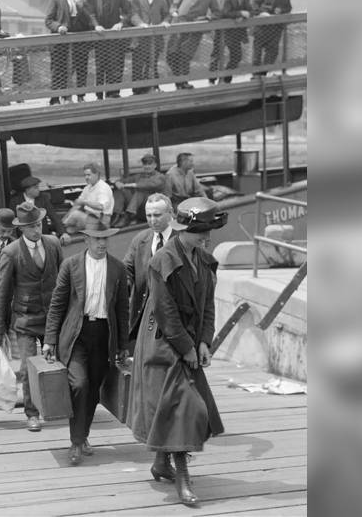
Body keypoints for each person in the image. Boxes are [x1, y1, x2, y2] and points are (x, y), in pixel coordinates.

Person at [128, 197, 227, 506]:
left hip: (188, 343)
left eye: (209, 231)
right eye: (202, 231)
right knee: (185, 408)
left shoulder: (205, 260)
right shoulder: (162, 261)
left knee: (170, 408)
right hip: (162, 345)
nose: (207, 237)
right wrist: (186, 348)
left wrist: (203, 342)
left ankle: (161, 463)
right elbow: (165, 311)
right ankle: (182, 477)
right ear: (186, 230)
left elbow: (207, 306)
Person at [43, 222, 130, 465]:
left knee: (93, 390)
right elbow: (57, 305)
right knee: (79, 384)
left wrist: (123, 344)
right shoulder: (70, 265)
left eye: (105, 239)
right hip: (76, 335)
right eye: (97, 239)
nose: (102, 244)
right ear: (86, 240)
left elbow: (123, 309)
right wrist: (50, 340)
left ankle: (82, 436)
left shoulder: (118, 268)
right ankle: (76, 441)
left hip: (104, 335)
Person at [0, 201, 64, 432]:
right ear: (21, 228)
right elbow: (1, 292)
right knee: (26, 367)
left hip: (52, 318)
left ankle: (55, 407)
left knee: (57, 364)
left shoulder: (53, 244)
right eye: (31, 226)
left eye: (39, 224)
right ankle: (32, 413)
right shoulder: (11, 252)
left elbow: (65, 282)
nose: (36, 229)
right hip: (24, 319)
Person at [45, 0, 102, 105]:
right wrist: (58, 27)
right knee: (60, 69)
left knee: (81, 68)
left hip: (80, 40)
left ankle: (81, 96)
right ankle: (57, 98)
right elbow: (48, 20)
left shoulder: (82, 0)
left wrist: (96, 26)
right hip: (61, 40)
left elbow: (91, 16)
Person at [123, 193, 177, 334]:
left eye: (157, 215)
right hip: (143, 314)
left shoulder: (183, 239)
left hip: (174, 316)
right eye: (149, 216)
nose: (152, 220)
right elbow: (127, 270)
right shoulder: (140, 239)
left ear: (171, 213)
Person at [166, 0, 220, 90]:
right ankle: (179, 81)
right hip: (180, 27)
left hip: (195, 29)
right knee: (171, 55)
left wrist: (207, 17)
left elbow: (217, 12)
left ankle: (183, 82)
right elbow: (175, 6)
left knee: (185, 55)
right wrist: (174, 12)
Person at [87, 0, 137, 99]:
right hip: (100, 37)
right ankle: (99, 96)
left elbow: (129, 11)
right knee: (100, 66)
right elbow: (90, 14)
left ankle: (113, 94)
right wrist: (96, 25)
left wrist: (121, 23)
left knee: (114, 65)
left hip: (115, 38)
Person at [131, 0, 172, 95]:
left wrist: (165, 22)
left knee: (152, 64)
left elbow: (167, 15)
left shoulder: (161, 0)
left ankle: (151, 89)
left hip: (155, 39)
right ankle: (137, 91)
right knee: (138, 64)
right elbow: (133, 14)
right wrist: (140, 23)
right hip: (140, 38)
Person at [251, 0, 294, 78]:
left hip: (276, 29)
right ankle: (255, 76)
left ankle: (262, 75)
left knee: (272, 53)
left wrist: (281, 11)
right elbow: (254, 4)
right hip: (262, 28)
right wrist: (263, 13)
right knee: (257, 53)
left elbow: (288, 8)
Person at [9, 176, 71, 245]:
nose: (38, 189)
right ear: (27, 190)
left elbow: (54, 216)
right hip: (24, 238)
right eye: (36, 188)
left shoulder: (43, 198)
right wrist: (14, 240)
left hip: (42, 236)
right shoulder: (15, 201)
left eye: (38, 187)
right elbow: (12, 222)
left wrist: (63, 233)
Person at [217, 0, 256, 83]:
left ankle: (225, 79)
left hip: (238, 33)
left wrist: (243, 15)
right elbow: (224, 12)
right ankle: (223, 79)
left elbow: (252, 12)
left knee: (236, 56)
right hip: (227, 32)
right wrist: (239, 13)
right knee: (232, 56)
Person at [112, 154, 169, 226]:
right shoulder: (139, 176)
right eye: (145, 164)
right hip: (139, 209)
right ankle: (115, 215)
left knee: (141, 191)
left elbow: (149, 185)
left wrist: (132, 185)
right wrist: (118, 182)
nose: (147, 166)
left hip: (154, 209)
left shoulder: (160, 177)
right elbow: (123, 180)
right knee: (120, 190)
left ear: (155, 165)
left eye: (150, 164)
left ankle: (129, 215)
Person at [66, 162, 115, 231]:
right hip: (88, 217)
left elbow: (100, 206)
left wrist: (84, 202)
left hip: (101, 221)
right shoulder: (87, 188)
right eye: (85, 175)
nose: (86, 177)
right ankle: (61, 228)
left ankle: (60, 226)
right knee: (69, 229)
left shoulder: (103, 188)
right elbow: (78, 203)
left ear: (97, 174)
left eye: (89, 175)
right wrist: (77, 203)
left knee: (75, 214)